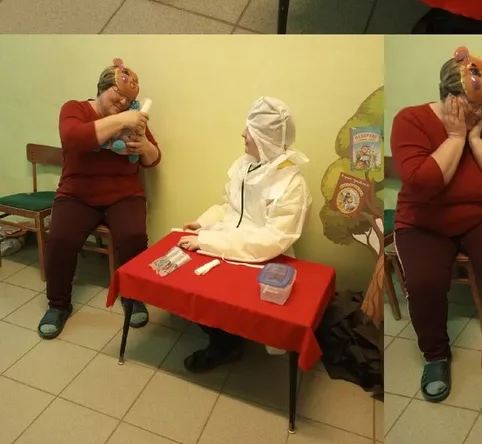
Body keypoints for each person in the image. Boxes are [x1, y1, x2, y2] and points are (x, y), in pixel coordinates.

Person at [390, 48, 482, 403]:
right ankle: (436, 355)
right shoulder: (410, 120)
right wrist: (454, 138)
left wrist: (475, 139)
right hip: (423, 223)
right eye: (473, 107)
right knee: (424, 283)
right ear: (449, 98)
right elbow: (423, 184)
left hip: (481, 216)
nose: (481, 114)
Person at [177, 96, 311, 371]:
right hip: (227, 243)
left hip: (262, 258)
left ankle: (224, 347)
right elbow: (231, 208)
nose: (243, 134)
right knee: (190, 287)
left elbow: (271, 241)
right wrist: (204, 224)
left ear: (264, 138)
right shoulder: (245, 165)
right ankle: (224, 338)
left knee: (222, 296)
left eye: (249, 129)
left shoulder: (291, 184)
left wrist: (207, 241)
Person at [39, 62, 161, 339]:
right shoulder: (75, 109)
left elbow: (154, 160)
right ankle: (58, 305)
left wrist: (144, 146)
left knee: (133, 236)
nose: (123, 102)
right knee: (60, 240)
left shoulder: (135, 118)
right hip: (77, 195)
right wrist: (123, 120)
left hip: (124, 194)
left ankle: (132, 297)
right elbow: (74, 139)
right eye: (118, 95)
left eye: (128, 100)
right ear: (103, 87)